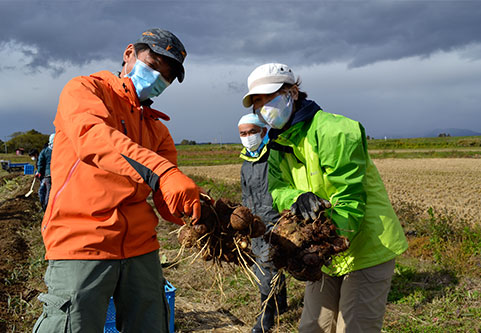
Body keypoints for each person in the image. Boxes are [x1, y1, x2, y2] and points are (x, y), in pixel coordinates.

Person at [33, 29, 201, 333]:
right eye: (154, 64)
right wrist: (162, 172)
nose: (158, 77)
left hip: (140, 246)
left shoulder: (156, 128)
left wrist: (199, 213)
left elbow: (167, 202)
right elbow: (95, 139)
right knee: (72, 325)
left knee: (153, 326)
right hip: (82, 240)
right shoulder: (85, 90)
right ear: (129, 54)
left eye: (167, 75)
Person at [241, 63, 408, 333]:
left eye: (269, 98)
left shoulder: (334, 131)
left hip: (366, 245)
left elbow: (350, 200)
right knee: (312, 327)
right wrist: (298, 198)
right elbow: (278, 189)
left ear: (293, 92)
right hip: (324, 250)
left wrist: (316, 249)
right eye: (257, 102)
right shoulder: (276, 144)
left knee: (354, 326)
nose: (264, 108)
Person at [238, 113, 287, 333]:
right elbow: (245, 195)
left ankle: (265, 317)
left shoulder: (275, 156)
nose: (248, 137)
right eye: (243, 134)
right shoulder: (246, 164)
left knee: (266, 267)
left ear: (263, 132)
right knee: (265, 264)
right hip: (256, 224)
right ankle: (281, 304)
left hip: (276, 220)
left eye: (252, 132)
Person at [36, 134, 54, 211]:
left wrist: (39, 172)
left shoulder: (45, 151)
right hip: (59, 174)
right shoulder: (61, 150)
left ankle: (46, 208)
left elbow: (40, 164)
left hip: (48, 175)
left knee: (48, 191)